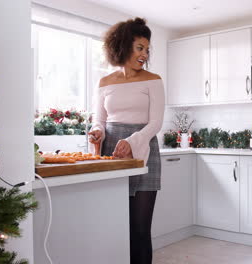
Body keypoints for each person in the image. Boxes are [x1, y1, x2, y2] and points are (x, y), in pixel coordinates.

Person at [88, 17, 165, 264]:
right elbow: (99, 120)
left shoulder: (153, 80)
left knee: (140, 229)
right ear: (123, 46)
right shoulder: (104, 83)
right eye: (139, 48)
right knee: (116, 226)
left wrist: (132, 140)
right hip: (112, 152)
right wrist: (96, 131)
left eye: (147, 49)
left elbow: (155, 123)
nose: (145, 55)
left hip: (143, 152)